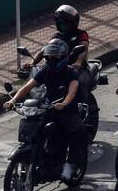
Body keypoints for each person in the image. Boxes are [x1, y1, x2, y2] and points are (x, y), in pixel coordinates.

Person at [7, 40, 87, 182]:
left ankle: (69, 165)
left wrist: (64, 103)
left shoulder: (71, 72)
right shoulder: (45, 71)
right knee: (35, 129)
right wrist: (13, 101)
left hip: (66, 110)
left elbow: (72, 92)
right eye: (49, 57)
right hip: (48, 109)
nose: (51, 60)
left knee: (77, 131)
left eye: (55, 58)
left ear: (63, 58)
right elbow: (27, 87)